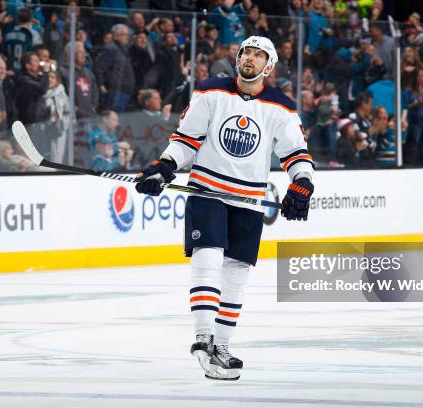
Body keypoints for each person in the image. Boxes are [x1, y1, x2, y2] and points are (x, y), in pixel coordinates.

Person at [134, 36, 315, 381]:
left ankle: (222, 344)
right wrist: (164, 167)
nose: (249, 58)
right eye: (246, 52)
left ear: (270, 65)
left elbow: (296, 155)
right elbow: (185, 140)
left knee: (237, 273)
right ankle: (203, 339)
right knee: (208, 256)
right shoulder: (210, 92)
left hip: (249, 198)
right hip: (208, 190)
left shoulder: (282, 107)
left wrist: (302, 183)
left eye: (258, 54)